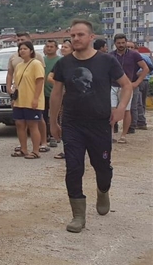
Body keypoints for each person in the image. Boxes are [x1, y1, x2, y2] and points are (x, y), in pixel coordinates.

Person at [50, 20, 132, 233]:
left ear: (91, 37)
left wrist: (121, 108)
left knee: (102, 168)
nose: (76, 39)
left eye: (80, 35)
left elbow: (126, 86)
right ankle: (78, 215)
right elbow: (57, 94)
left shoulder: (106, 61)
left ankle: (103, 191)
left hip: (100, 124)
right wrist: (53, 122)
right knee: (74, 168)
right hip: (72, 124)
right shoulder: (64, 64)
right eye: (73, 35)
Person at [7, 32, 47, 154]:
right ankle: (23, 149)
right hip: (20, 100)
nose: (22, 51)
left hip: (32, 100)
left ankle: (35, 151)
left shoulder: (36, 63)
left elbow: (40, 81)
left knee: (32, 125)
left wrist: (36, 99)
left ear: (31, 51)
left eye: (25, 49)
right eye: (20, 49)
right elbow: (16, 83)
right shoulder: (18, 65)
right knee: (19, 124)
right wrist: (13, 97)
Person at [110, 34, 148, 143]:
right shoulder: (110, 56)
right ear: (115, 43)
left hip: (126, 86)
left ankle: (123, 136)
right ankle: (111, 134)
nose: (121, 45)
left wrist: (136, 83)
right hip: (112, 85)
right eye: (119, 43)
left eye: (123, 42)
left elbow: (145, 68)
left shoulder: (134, 55)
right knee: (111, 110)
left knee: (127, 111)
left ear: (126, 42)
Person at [50, 39, 75, 160]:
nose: (63, 49)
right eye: (63, 47)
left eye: (66, 47)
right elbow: (50, 76)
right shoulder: (61, 63)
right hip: (63, 98)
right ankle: (66, 149)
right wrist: (60, 85)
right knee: (64, 123)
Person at [126, 41, 151, 132]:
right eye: (128, 47)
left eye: (131, 47)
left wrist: (138, 76)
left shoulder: (139, 57)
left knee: (137, 103)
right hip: (142, 81)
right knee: (139, 103)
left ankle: (137, 123)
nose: (130, 49)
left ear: (136, 49)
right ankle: (140, 122)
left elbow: (148, 68)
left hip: (139, 81)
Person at [42, 39, 61, 147]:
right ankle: (45, 136)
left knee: (55, 115)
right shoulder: (42, 60)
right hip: (43, 93)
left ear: (56, 48)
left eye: (51, 46)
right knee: (43, 116)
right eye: (47, 46)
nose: (49, 48)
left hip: (55, 93)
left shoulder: (60, 61)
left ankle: (55, 136)